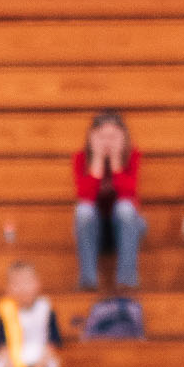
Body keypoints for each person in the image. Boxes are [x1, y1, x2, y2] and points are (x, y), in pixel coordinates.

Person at [74, 112, 145, 292]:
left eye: (113, 137)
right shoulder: (81, 158)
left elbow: (129, 194)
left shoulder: (132, 156)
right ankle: (88, 281)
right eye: (102, 137)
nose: (107, 142)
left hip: (126, 226)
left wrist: (115, 163)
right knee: (83, 211)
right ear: (92, 138)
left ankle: (126, 280)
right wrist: (97, 162)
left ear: (123, 137)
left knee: (125, 209)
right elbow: (85, 196)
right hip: (96, 229)